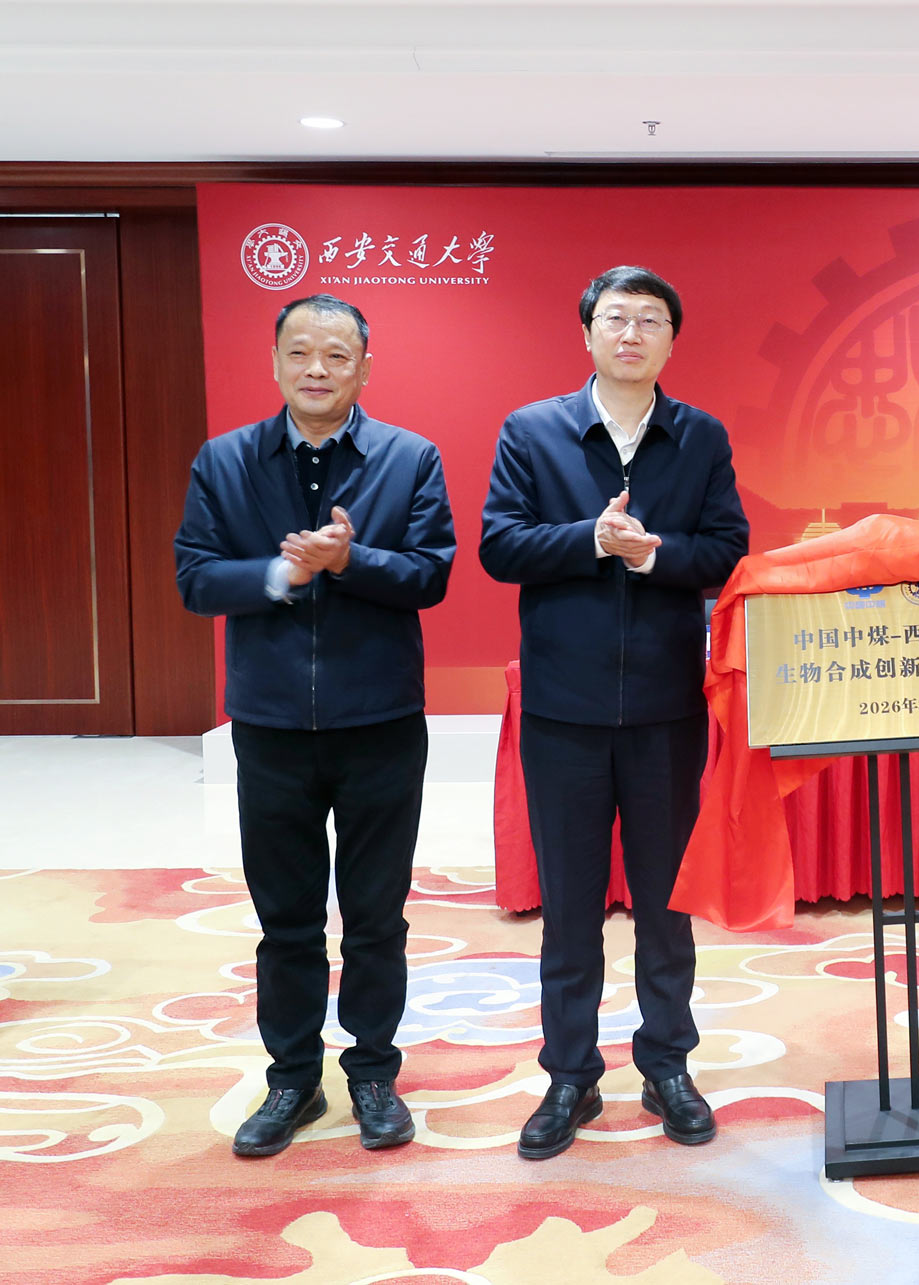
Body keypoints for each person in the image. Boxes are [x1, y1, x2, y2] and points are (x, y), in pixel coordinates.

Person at [175, 293, 456, 1157]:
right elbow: (195, 577)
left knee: (376, 916)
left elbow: (430, 574)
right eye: (300, 352)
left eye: (337, 355)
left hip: (380, 720)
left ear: (365, 367)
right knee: (287, 917)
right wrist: (281, 574)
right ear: (275, 363)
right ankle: (292, 1078)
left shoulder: (410, 457)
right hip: (269, 726)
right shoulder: (226, 460)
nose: (317, 369)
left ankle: (373, 1073)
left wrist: (350, 560)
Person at [480, 265, 748, 1159]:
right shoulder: (534, 430)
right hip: (564, 709)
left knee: (667, 903)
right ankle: (570, 1074)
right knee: (570, 905)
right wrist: (589, 539)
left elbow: (728, 549)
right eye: (616, 318)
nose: (632, 333)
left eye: (650, 321)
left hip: (667, 709)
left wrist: (651, 555)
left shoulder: (700, 435)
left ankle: (668, 1063)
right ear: (588, 333)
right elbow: (500, 545)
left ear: (672, 340)